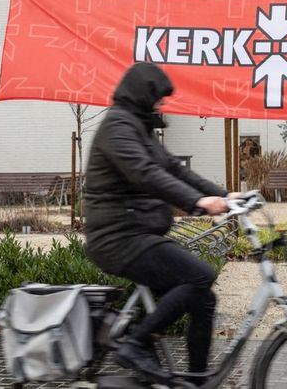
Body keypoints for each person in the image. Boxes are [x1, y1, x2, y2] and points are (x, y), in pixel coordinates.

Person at [84, 62, 238, 384]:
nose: (161, 105)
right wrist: (195, 202)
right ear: (142, 95)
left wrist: (226, 196)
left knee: (203, 298)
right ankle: (137, 344)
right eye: (157, 99)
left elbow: (176, 169)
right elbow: (145, 173)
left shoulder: (141, 129)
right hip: (118, 237)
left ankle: (197, 380)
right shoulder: (117, 128)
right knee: (201, 275)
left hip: (138, 232)